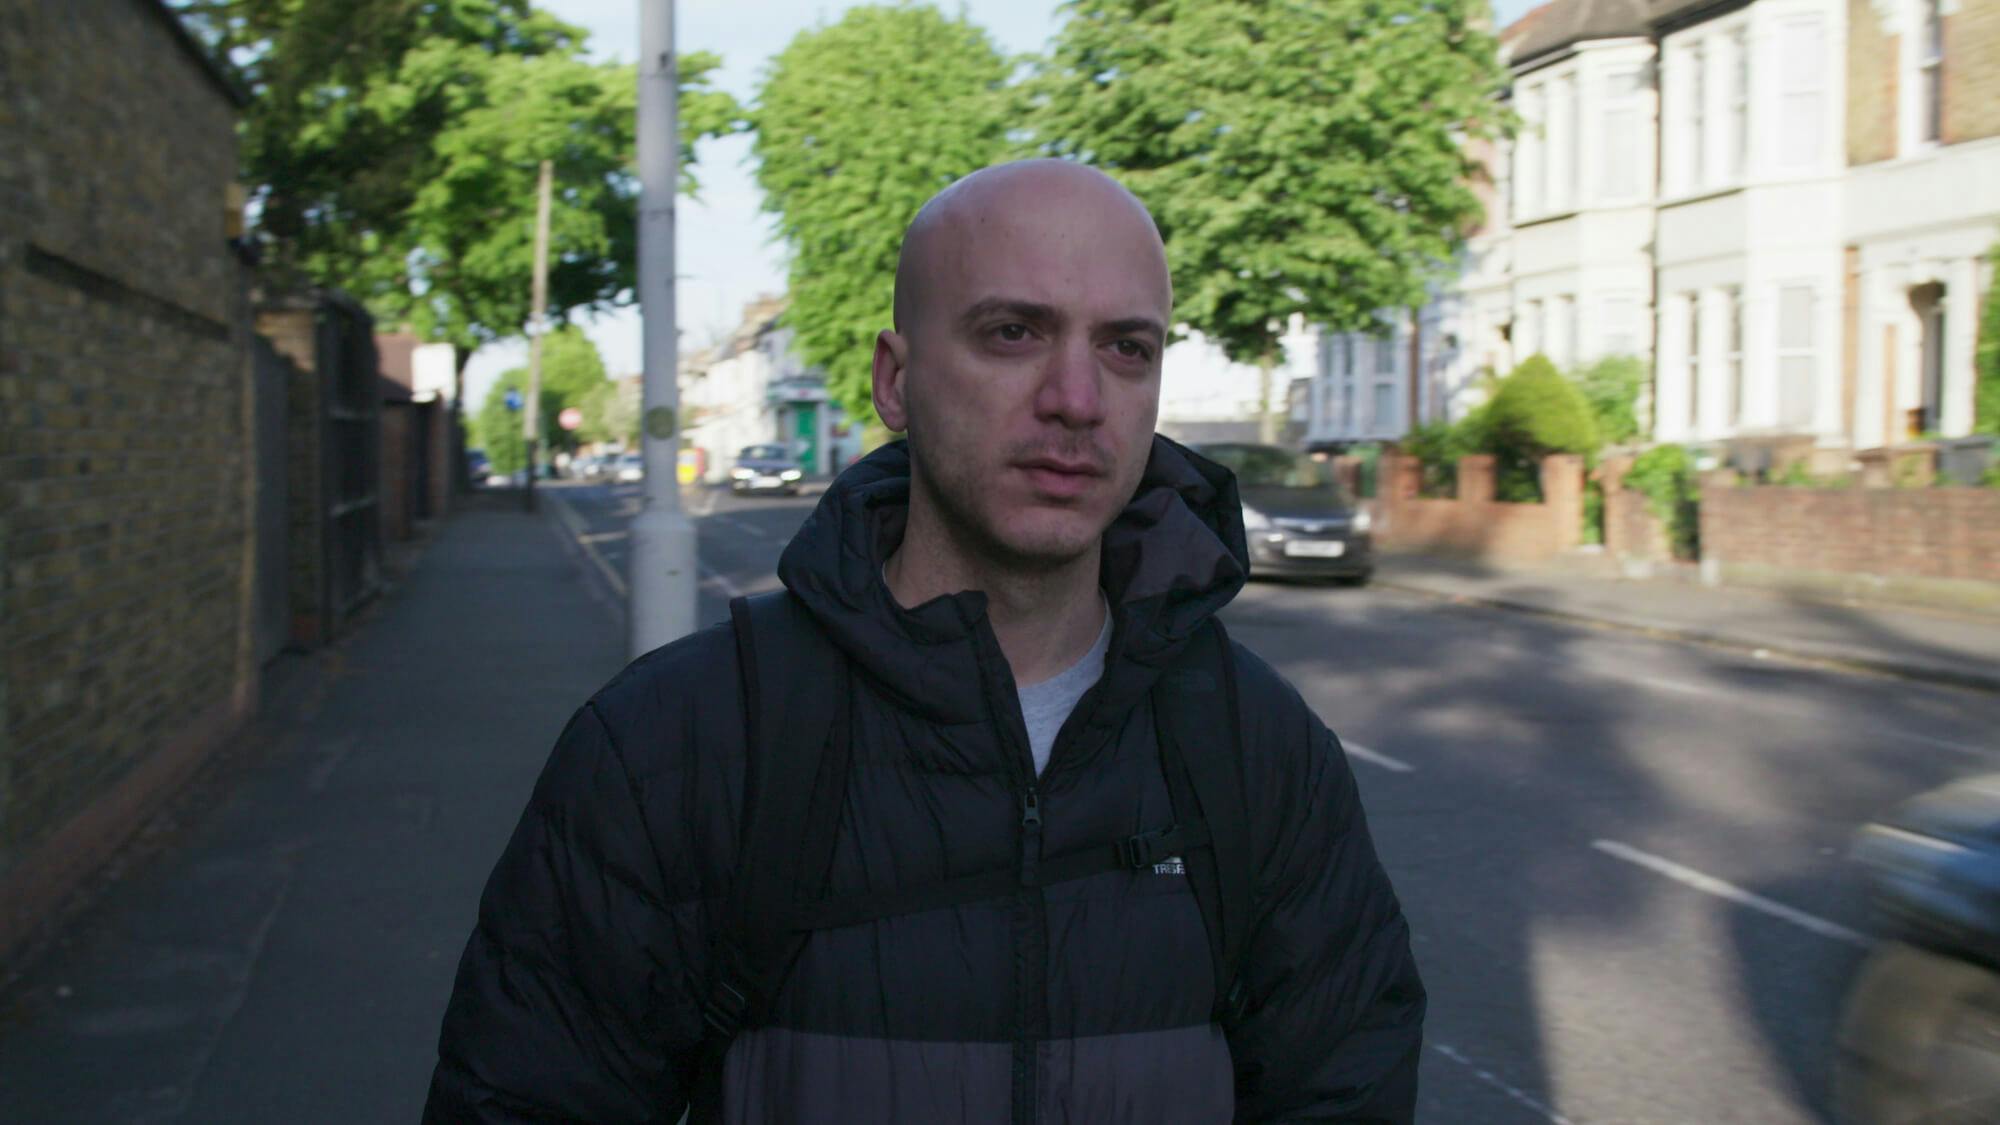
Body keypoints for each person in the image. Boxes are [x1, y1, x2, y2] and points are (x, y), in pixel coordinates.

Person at [424, 159, 1424, 1123]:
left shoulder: (1259, 753)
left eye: (1125, 347)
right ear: (894, 382)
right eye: (1011, 332)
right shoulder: (673, 745)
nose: (1076, 398)